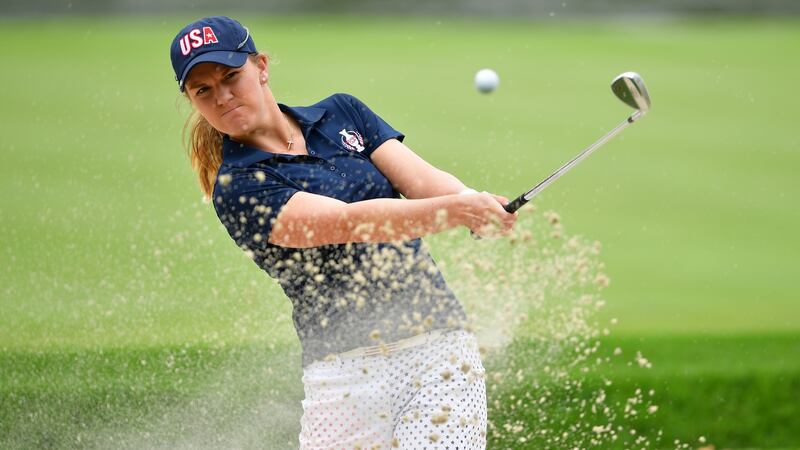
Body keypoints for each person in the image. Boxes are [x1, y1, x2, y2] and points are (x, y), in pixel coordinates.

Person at [170, 16, 517, 449]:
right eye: (203, 90)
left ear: (260, 66)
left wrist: (474, 200)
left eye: (230, 76)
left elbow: (422, 181)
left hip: (440, 354)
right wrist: (458, 211)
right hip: (344, 377)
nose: (222, 96)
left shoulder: (341, 113)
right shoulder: (238, 187)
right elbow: (350, 223)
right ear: (192, 99)